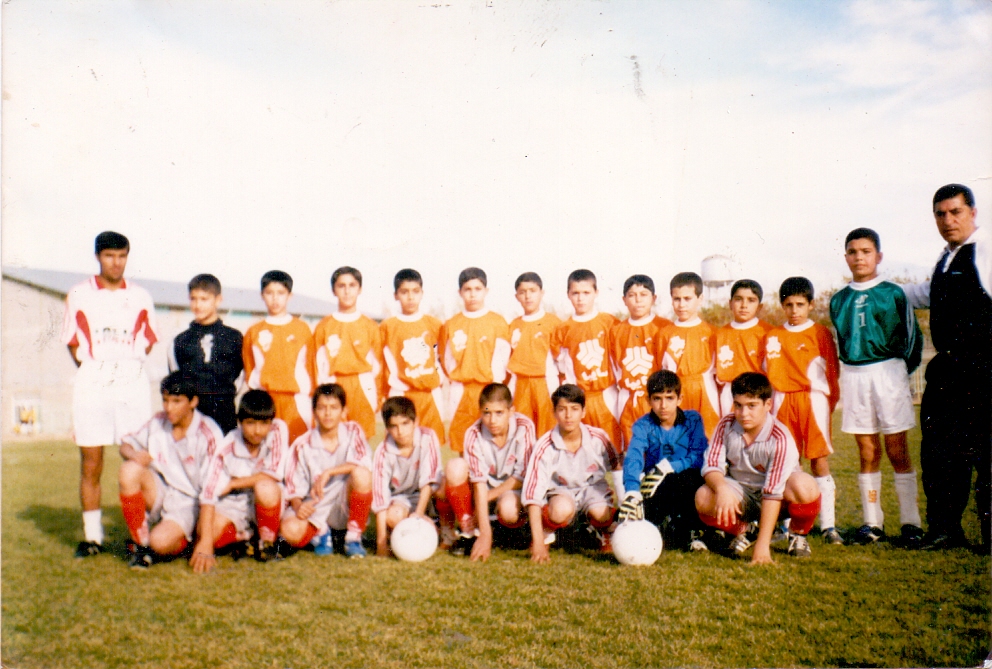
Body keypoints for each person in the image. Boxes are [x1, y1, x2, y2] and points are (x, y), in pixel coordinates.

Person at [903, 183, 991, 552]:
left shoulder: (985, 251)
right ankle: (945, 529)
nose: (948, 220)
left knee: (987, 452)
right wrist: (876, 289)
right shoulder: (946, 257)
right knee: (940, 453)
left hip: (983, 367)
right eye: (940, 214)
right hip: (948, 368)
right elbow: (922, 294)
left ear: (973, 213)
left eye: (955, 212)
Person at [61, 231, 159, 558]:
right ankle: (93, 538)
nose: (116, 263)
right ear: (98, 257)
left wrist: (125, 365)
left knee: (136, 458)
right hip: (94, 378)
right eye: (109, 256)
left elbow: (149, 339)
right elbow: (72, 341)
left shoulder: (141, 295)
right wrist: (94, 369)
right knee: (92, 462)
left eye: (121, 256)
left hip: (131, 379)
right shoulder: (79, 294)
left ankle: (139, 537)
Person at [829, 228, 924, 547]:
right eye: (853, 252)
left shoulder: (893, 293)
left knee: (898, 450)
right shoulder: (839, 299)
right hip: (855, 375)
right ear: (846, 257)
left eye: (866, 251)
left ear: (878, 256)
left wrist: (898, 373)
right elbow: (843, 341)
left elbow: (913, 339)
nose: (859, 257)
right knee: (867, 451)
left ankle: (911, 522)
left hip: (888, 372)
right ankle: (872, 522)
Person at [695, 372, 822, 564]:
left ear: (768, 404)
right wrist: (721, 488)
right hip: (743, 495)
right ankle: (746, 531)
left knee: (805, 486)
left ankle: (797, 534)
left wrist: (762, 548)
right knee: (703, 496)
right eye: (738, 405)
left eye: (752, 405)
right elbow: (712, 466)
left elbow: (772, 493)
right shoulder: (726, 424)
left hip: (778, 500)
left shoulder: (780, 438)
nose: (744, 413)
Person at [118, 372, 224, 569]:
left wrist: (206, 541)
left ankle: (186, 541)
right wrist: (134, 454)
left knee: (160, 542)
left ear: (193, 402)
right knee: (129, 470)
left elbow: (209, 492)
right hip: (162, 491)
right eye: (165, 400)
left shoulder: (208, 433)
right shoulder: (158, 421)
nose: (168, 408)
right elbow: (125, 444)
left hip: (189, 502)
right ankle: (141, 546)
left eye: (176, 401)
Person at [764, 277, 842, 545]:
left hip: (813, 400)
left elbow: (832, 372)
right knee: (786, 461)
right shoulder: (773, 336)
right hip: (782, 401)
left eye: (799, 304)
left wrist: (828, 404)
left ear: (810, 304)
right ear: (782, 306)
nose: (794, 310)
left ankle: (828, 525)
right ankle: (786, 525)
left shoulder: (820, 333)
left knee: (819, 461)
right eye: (789, 305)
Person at [192, 390, 290, 572]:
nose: (257, 430)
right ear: (240, 422)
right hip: (237, 503)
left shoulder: (278, 429)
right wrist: (205, 542)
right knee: (207, 532)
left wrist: (233, 483)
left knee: (264, 487)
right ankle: (245, 539)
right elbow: (209, 494)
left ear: (271, 422)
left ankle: (267, 544)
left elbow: (274, 473)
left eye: (263, 423)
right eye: (250, 423)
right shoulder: (227, 447)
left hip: (268, 499)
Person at [522, 384, 620, 563]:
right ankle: (546, 532)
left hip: (591, 488)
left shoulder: (598, 438)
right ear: (554, 412)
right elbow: (532, 494)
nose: (568, 415)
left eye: (574, 409)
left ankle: (602, 529)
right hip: (562, 492)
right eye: (562, 409)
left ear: (583, 412)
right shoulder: (545, 446)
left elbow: (617, 468)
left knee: (601, 512)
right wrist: (537, 541)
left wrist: (624, 509)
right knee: (560, 510)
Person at [617, 370, 707, 551]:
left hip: (688, 484)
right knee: (630, 518)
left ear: (680, 399)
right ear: (648, 400)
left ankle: (692, 532)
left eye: (669, 398)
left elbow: (699, 456)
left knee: (689, 479)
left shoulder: (693, 420)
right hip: (657, 485)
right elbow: (634, 457)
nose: (663, 405)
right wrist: (632, 489)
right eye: (657, 399)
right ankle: (666, 526)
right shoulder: (643, 425)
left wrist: (668, 467)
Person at [280, 384, 373, 558]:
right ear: (314, 412)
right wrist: (299, 507)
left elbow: (364, 462)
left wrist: (329, 472)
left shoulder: (353, 431)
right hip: (316, 506)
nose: (328, 413)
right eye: (322, 408)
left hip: (343, 503)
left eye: (334, 408)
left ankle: (353, 538)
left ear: (344, 411)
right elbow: (293, 488)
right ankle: (321, 533)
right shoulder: (302, 445)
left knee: (362, 474)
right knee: (289, 530)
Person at [551, 270, 622, 492]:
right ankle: (588, 502)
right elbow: (558, 368)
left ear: (596, 293)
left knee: (616, 452)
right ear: (568, 295)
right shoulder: (562, 330)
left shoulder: (610, 323)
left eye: (586, 292)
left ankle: (624, 504)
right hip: (578, 399)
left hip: (606, 395)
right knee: (581, 454)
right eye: (576, 293)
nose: (580, 298)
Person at [450, 383, 536, 561]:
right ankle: (469, 532)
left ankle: (512, 530)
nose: (492, 420)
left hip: (511, 490)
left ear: (511, 411)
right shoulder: (473, 433)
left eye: (499, 413)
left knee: (509, 510)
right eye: (486, 413)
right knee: (454, 467)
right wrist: (485, 534)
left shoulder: (524, 427)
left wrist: (488, 497)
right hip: (483, 491)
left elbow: (522, 475)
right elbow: (479, 482)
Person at [438, 267, 511, 454]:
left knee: (493, 443)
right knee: (464, 444)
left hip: (490, 389)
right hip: (461, 390)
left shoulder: (497, 322)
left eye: (477, 289)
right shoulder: (451, 325)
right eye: (467, 289)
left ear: (486, 291)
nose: (472, 294)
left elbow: (504, 359)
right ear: (460, 292)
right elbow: (445, 360)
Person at [242, 270, 315, 444]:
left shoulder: (302, 329)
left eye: (281, 293)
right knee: (266, 451)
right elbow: (250, 371)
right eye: (269, 293)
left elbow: (311, 368)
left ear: (290, 296)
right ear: (262, 295)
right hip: (265, 402)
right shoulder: (254, 332)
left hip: (296, 402)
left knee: (298, 450)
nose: (275, 298)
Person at [371, 397, 450, 557]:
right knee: (392, 516)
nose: (400, 431)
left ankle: (446, 531)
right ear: (387, 428)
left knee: (444, 485)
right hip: (402, 500)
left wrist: (418, 515)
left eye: (405, 423)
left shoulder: (427, 437)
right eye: (394, 426)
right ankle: (410, 529)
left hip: (428, 497)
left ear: (416, 422)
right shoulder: (383, 451)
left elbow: (429, 479)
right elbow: (380, 498)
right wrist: (381, 542)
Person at [313, 266, 383, 440]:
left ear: (360, 289)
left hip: (362, 386)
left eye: (352, 285)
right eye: (341, 286)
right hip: (333, 385)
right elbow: (316, 366)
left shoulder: (370, 326)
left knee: (361, 442)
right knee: (332, 440)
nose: (347, 291)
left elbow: (379, 367)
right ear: (333, 290)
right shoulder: (324, 326)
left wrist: (378, 396)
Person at [169, 273, 243, 434]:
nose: (198, 305)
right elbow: (176, 378)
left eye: (204, 299)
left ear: (218, 300)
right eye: (193, 299)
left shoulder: (234, 338)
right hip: (192, 417)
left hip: (224, 415)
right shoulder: (181, 340)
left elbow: (241, 377)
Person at [379, 268, 446, 444]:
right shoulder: (387, 327)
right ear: (396, 295)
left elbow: (443, 359)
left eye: (415, 291)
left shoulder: (434, 325)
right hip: (401, 393)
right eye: (404, 292)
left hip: (430, 395)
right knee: (401, 446)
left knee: (431, 446)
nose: (410, 297)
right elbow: (382, 365)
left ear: (422, 293)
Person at [609, 274, 672, 450]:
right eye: (632, 295)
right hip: (629, 398)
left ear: (654, 298)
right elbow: (615, 366)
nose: (638, 300)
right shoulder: (617, 331)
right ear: (624, 300)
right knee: (632, 448)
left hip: (657, 397)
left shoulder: (664, 327)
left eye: (643, 295)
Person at [654, 272, 720, 439]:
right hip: (676, 390)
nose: (682, 304)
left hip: (705, 389)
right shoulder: (665, 333)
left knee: (708, 435)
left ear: (700, 299)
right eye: (677, 299)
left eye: (687, 298)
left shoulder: (711, 332)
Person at [507, 272, 561, 437]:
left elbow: (561, 360)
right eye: (522, 292)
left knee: (548, 432)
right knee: (522, 433)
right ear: (517, 296)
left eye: (532, 291)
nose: (528, 296)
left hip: (545, 384)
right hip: (521, 385)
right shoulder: (514, 325)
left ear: (541, 293)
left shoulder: (554, 323)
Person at [715, 279, 772, 416]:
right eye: (738, 299)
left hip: (757, 392)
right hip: (729, 394)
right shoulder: (719, 334)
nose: (744, 305)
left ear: (759, 306)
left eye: (751, 300)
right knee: (730, 428)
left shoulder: (768, 333)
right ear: (730, 303)